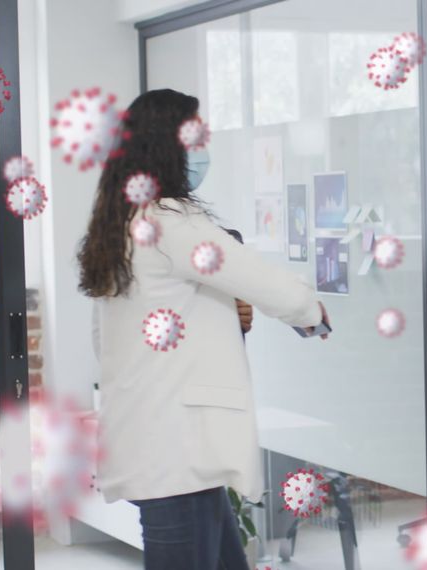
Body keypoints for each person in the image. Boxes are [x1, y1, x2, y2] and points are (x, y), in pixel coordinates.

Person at [77, 88, 328, 570]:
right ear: (165, 146)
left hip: (165, 445)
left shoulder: (122, 221)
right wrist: (312, 311)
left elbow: (106, 337)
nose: (203, 147)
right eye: (196, 135)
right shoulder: (172, 221)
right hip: (177, 452)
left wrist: (218, 320)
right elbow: (267, 284)